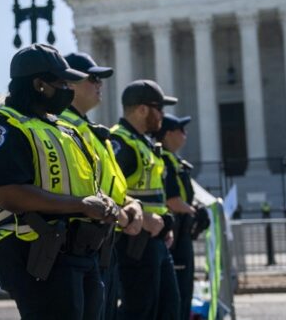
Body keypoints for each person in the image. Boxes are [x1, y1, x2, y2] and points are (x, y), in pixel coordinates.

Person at [0, 44, 120, 320]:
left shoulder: (65, 129)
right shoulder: (6, 125)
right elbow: (9, 194)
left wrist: (105, 202)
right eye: (63, 82)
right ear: (39, 85)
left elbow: (86, 185)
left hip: (83, 254)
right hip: (40, 255)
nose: (69, 88)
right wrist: (80, 205)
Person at [61, 52, 144, 320]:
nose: (100, 84)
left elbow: (112, 184)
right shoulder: (62, 127)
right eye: (93, 78)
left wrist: (132, 205)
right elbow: (80, 187)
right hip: (85, 239)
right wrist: (123, 214)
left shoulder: (92, 129)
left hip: (106, 238)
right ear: (70, 83)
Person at [110, 80, 180, 320]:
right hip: (134, 241)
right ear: (142, 110)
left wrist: (163, 224)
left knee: (168, 309)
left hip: (156, 239)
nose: (163, 115)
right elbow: (107, 191)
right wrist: (144, 218)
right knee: (139, 310)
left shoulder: (143, 142)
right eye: (159, 108)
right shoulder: (120, 143)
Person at [156, 113, 196, 320]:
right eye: (181, 130)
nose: (185, 134)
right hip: (175, 234)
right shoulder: (164, 160)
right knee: (176, 295)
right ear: (168, 133)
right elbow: (172, 201)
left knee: (183, 292)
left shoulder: (174, 160)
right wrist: (193, 211)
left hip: (182, 231)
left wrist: (193, 209)